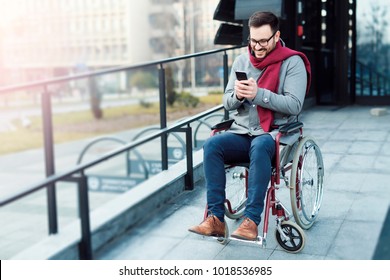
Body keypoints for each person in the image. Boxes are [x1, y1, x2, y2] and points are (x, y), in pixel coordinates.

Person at [188, 11, 311, 241]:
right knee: (213, 144)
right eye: (253, 41)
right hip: (243, 132)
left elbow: (294, 104)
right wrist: (237, 94)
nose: (257, 47)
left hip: (275, 134)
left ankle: (252, 221)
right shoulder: (242, 60)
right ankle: (215, 218)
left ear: (277, 36)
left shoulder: (293, 62)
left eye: (263, 41)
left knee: (262, 144)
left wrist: (259, 95)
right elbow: (226, 101)